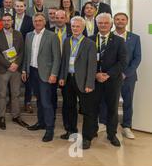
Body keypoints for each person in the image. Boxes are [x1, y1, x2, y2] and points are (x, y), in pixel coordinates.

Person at [58, 16, 97, 149]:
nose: (75, 28)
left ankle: (87, 137)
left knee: (87, 110)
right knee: (69, 107)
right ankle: (71, 130)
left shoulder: (90, 43)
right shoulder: (67, 41)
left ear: (83, 28)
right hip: (69, 79)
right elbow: (64, 61)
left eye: (78, 26)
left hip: (83, 81)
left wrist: (90, 83)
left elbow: (92, 66)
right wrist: (62, 77)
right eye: (73, 26)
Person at [90, 13, 127, 147]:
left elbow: (122, 62)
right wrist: (96, 74)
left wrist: (107, 74)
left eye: (106, 23)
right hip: (94, 80)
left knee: (112, 109)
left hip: (112, 81)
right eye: (100, 23)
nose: (103, 25)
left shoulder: (119, 41)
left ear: (111, 24)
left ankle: (112, 134)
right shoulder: (89, 39)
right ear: (97, 24)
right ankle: (90, 133)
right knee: (92, 108)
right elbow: (85, 61)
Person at [23, 13, 61, 142]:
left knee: (46, 102)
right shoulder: (29, 35)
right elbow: (27, 55)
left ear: (44, 22)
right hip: (32, 72)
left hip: (46, 74)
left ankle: (50, 128)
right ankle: (41, 122)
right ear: (33, 22)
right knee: (39, 100)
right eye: (35, 21)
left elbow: (57, 58)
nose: (37, 22)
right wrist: (24, 70)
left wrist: (54, 74)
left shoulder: (52, 36)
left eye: (40, 20)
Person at [0, 13, 29, 130]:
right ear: (1, 22)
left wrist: (16, 64)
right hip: (3, 69)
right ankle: (2, 116)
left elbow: (22, 52)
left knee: (15, 94)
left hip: (16, 69)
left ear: (12, 21)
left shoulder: (19, 35)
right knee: (2, 94)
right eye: (4, 20)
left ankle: (16, 116)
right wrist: (9, 65)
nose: (6, 22)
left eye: (8, 20)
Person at [111, 13, 141, 139]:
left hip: (128, 77)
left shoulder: (134, 38)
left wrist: (126, 73)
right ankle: (108, 125)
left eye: (123, 19)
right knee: (109, 101)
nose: (120, 21)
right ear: (114, 21)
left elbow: (137, 58)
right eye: (117, 19)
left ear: (127, 21)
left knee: (128, 102)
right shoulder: (109, 36)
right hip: (111, 76)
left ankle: (126, 126)